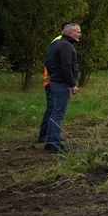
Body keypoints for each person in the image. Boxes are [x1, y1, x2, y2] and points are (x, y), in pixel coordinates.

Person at [41, 22, 81, 153]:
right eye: (78, 32)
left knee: (54, 113)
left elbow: (48, 62)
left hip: (55, 82)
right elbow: (66, 66)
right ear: (70, 33)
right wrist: (72, 84)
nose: (80, 34)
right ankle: (54, 144)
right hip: (61, 84)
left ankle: (50, 141)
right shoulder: (66, 46)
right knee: (58, 114)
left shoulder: (58, 44)